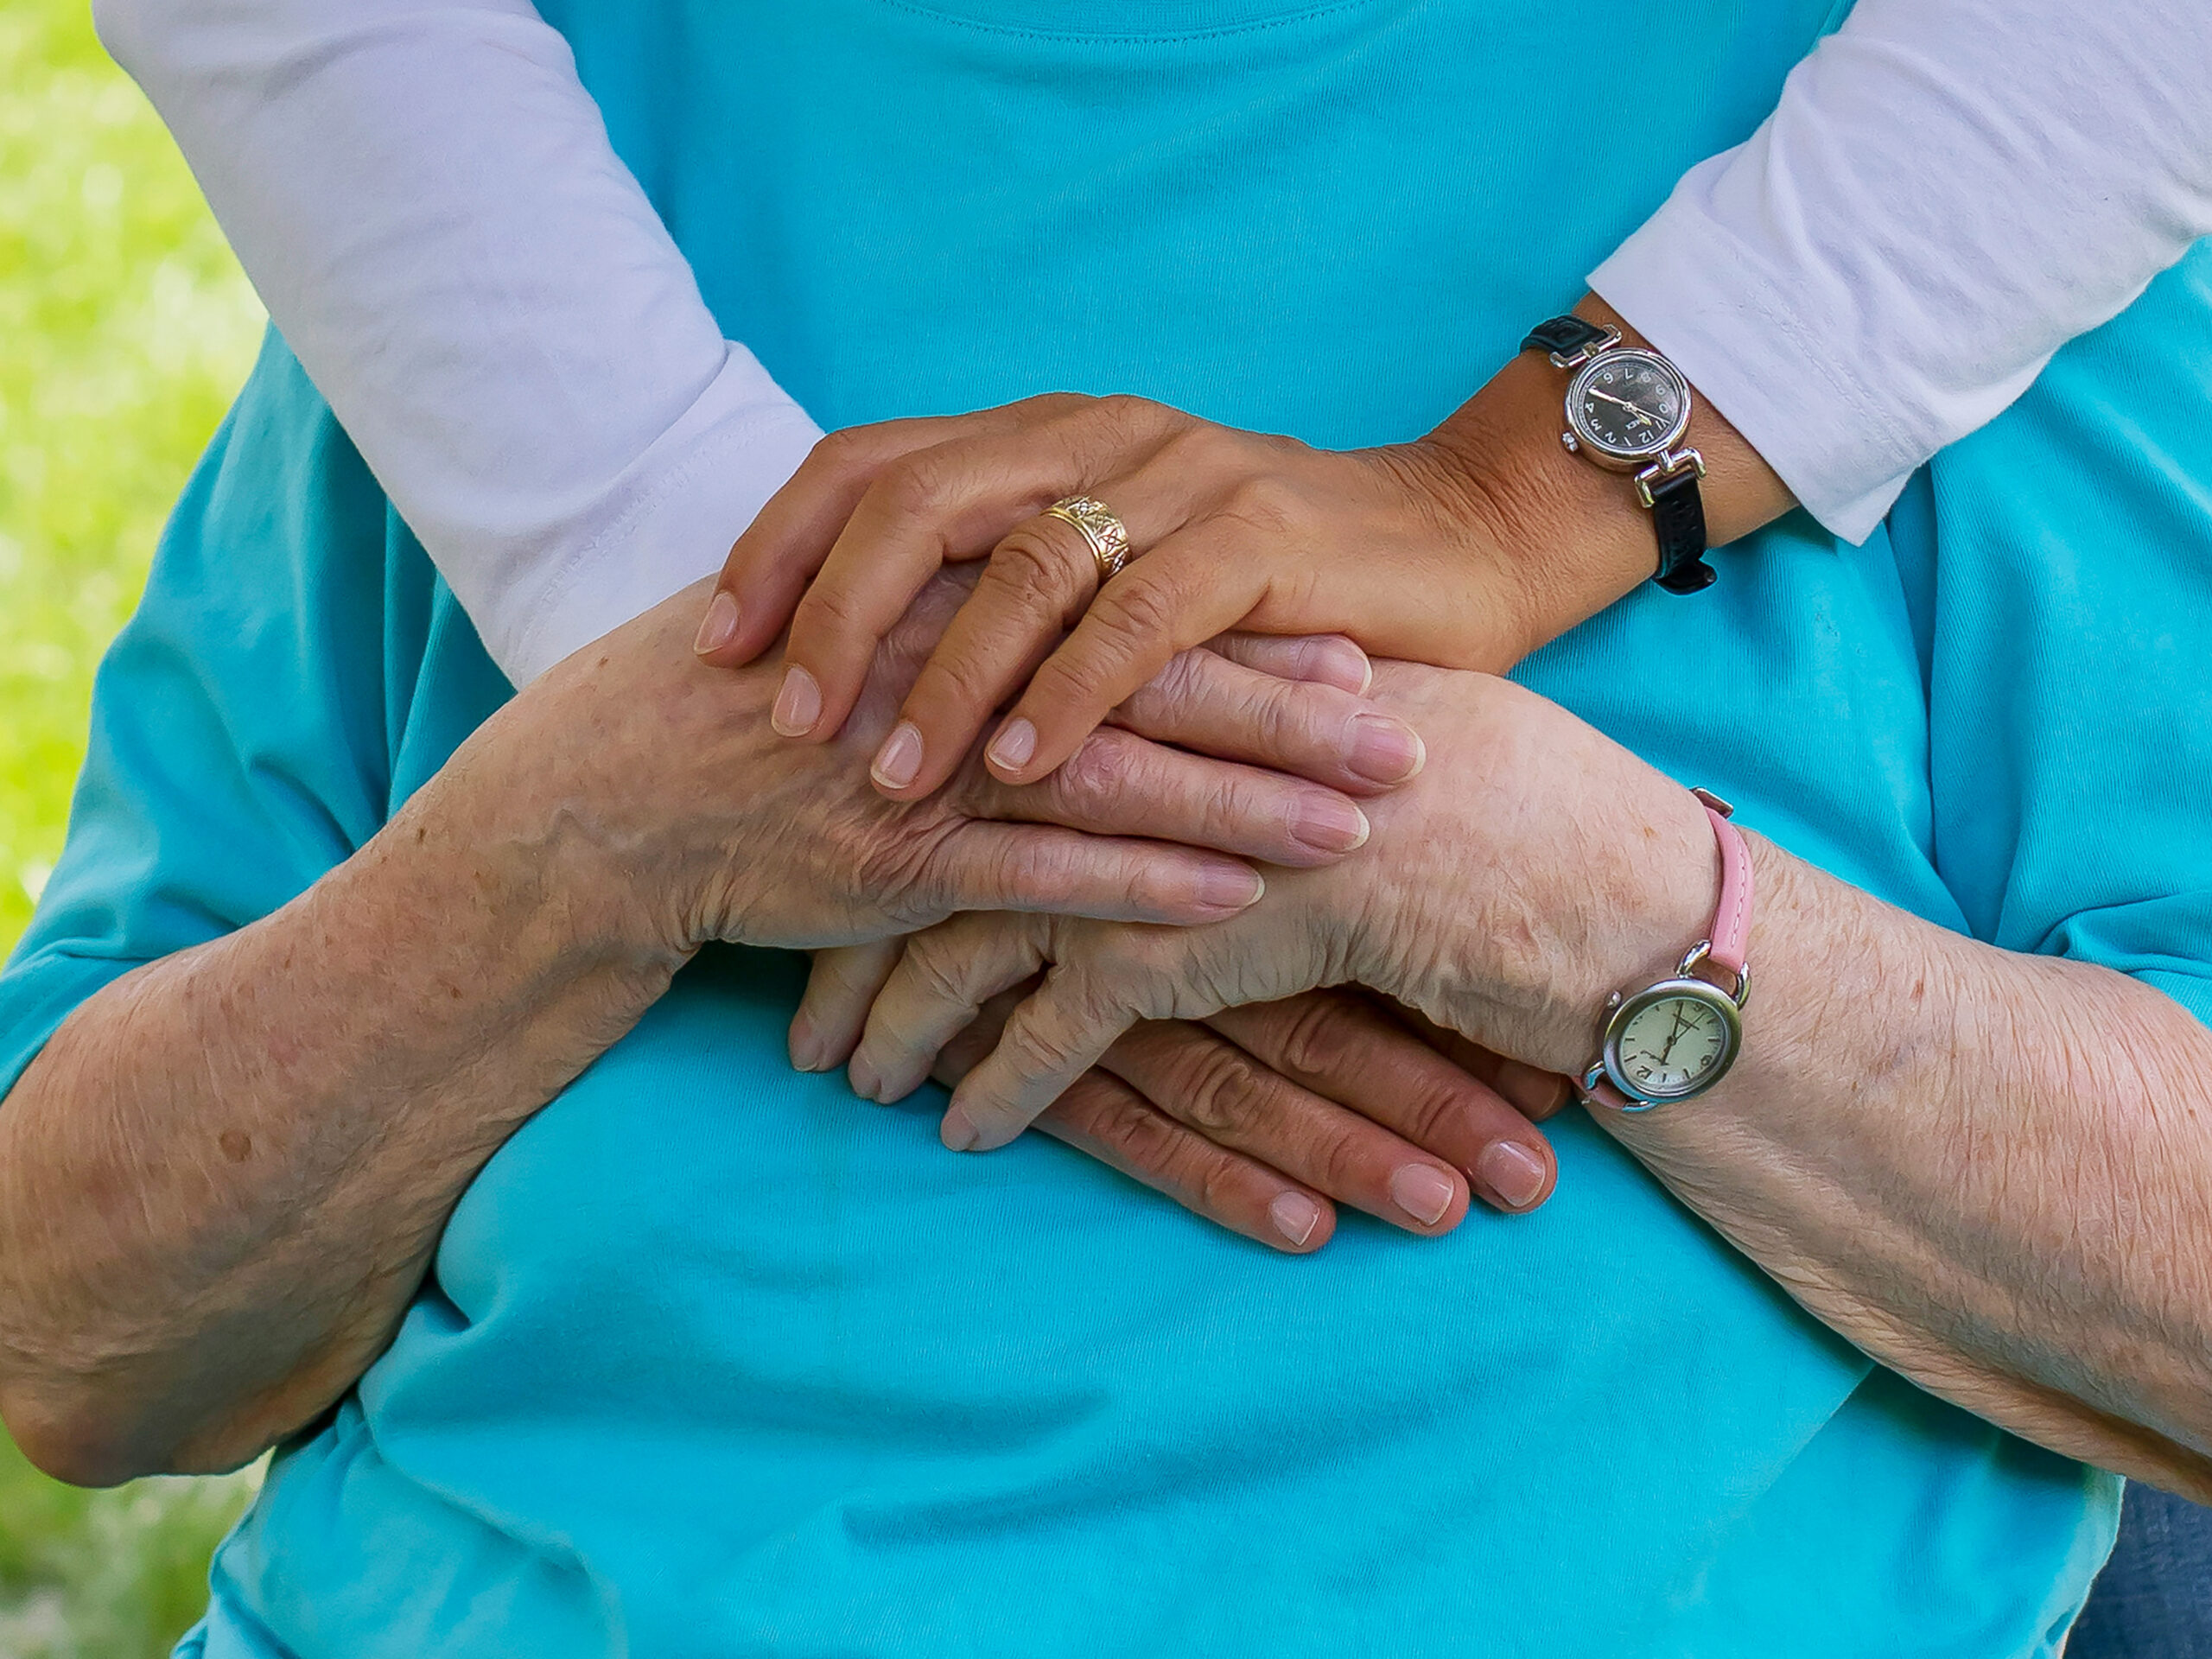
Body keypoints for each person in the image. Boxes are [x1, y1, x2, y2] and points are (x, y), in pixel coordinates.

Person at [2, 4, 2209, 1656]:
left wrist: (1564, 895)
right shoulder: (510, 227)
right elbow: (75, 1329)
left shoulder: (1928, 208)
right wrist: (581, 843)